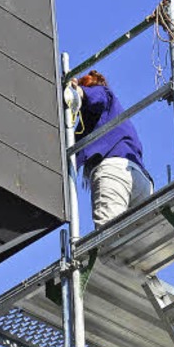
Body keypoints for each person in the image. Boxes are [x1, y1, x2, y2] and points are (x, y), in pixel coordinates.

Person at [68, 70, 153, 228]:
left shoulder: (103, 94)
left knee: (109, 240)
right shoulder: (104, 121)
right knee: (140, 244)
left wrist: (77, 92)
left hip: (114, 172)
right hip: (140, 179)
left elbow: (96, 97)